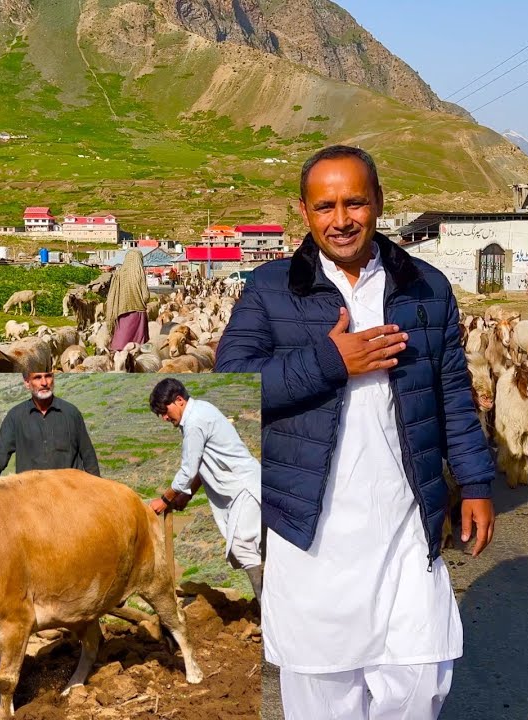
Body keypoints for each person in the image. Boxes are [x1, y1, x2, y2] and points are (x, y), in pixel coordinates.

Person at [214, 145, 496, 719]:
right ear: (304, 212)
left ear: (378, 203)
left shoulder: (426, 288)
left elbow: (451, 394)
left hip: (402, 516)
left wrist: (475, 481)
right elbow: (232, 387)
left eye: (354, 202)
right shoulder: (271, 289)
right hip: (312, 525)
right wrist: (328, 361)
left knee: (421, 679)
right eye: (325, 206)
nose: (341, 219)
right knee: (323, 687)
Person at [147, 378, 263, 601]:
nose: (164, 417)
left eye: (164, 410)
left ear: (179, 400)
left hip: (242, 486)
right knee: (253, 548)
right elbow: (202, 465)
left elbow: (189, 469)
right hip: (240, 487)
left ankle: (266, 608)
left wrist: (165, 499)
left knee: (243, 546)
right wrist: (185, 496)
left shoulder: (195, 421)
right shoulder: (200, 412)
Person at [0, 369, 100, 480]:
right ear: (27, 383)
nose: (44, 383)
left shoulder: (71, 412)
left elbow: (88, 454)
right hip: (31, 497)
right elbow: (1, 452)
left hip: (69, 494)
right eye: (37, 377)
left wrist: (97, 487)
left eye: (48, 376)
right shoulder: (15, 416)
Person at [105, 248, 149, 351]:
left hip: (121, 310)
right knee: (139, 344)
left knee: (121, 337)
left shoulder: (119, 274)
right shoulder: (139, 273)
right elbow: (146, 295)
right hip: (138, 311)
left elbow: (113, 294)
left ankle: (117, 355)